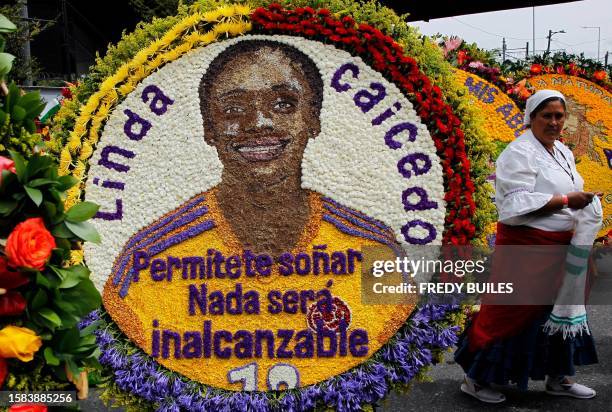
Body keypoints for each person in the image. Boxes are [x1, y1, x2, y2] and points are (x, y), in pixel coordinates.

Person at [102, 40, 411, 358]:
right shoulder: (148, 260)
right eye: (233, 109)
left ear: (313, 119)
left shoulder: (373, 248)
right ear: (209, 127)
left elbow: (402, 339)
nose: (258, 123)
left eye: (283, 104)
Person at [454, 90, 602, 403]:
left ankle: (558, 377)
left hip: (563, 245)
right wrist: (565, 201)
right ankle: (476, 378)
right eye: (546, 115)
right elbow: (513, 204)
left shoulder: (561, 151)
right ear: (531, 118)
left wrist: (582, 211)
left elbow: (569, 190)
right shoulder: (518, 153)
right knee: (510, 312)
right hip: (528, 246)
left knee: (559, 311)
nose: (553, 122)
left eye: (559, 116)